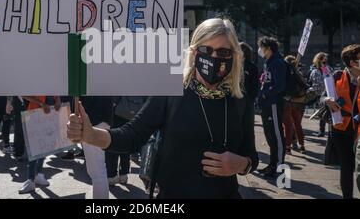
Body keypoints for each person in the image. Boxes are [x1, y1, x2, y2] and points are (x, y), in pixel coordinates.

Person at [68, 18, 258, 199]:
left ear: (234, 56)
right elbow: (132, 135)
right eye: (206, 50)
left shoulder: (240, 100)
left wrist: (242, 164)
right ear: (193, 52)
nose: (214, 57)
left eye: (223, 52)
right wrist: (91, 135)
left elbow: (251, 156)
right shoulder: (171, 91)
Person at [322, 44, 360, 199]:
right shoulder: (337, 76)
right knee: (346, 166)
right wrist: (327, 100)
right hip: (341, 129)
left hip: (359, 130)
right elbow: (323, 97)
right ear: (352, 62)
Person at [19, 96, 61, 194]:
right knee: (34, 147)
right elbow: (24, 94)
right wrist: (41, 103)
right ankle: (30, 179)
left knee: (44, 145)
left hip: (49, 111)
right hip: (34, 112)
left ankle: (39, 174)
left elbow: (55, 91)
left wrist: (58, 100)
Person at [257, 36, 286, 178]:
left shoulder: (277, 62)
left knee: (277, 135)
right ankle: (272, 164)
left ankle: (279, 166)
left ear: (268, 48)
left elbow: (280, 85)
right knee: (270, 136)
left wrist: (265, 94)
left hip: (273, 103)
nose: (260, 50)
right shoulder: (268, 62)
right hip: (267, 104)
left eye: (262, 47)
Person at [107, 97, 145, 186]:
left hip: (118, 114)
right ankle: (124, 174)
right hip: (133, 115)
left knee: (114, 144)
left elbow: (115, 98)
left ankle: (112, 175)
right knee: (127, 145)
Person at [282, 55, 306, 155]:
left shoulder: (284, 72)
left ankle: (288, 148)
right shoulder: (298, 72)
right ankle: (302, 146)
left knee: (288, 126)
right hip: (298, 102)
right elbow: (304, 85)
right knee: (297, 125)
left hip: (287, 101)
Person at [308, 52, 332, 137]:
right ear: (319, 61)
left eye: (326, 61)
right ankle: (322, 130)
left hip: (329, 94)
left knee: (329, 112)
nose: (325, 63)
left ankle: (329, 130)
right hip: (320, 95)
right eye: (323, 61)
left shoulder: (329, 69)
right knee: (322, 113)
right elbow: (313, 84)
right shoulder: (314, 71)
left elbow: (332, 79)